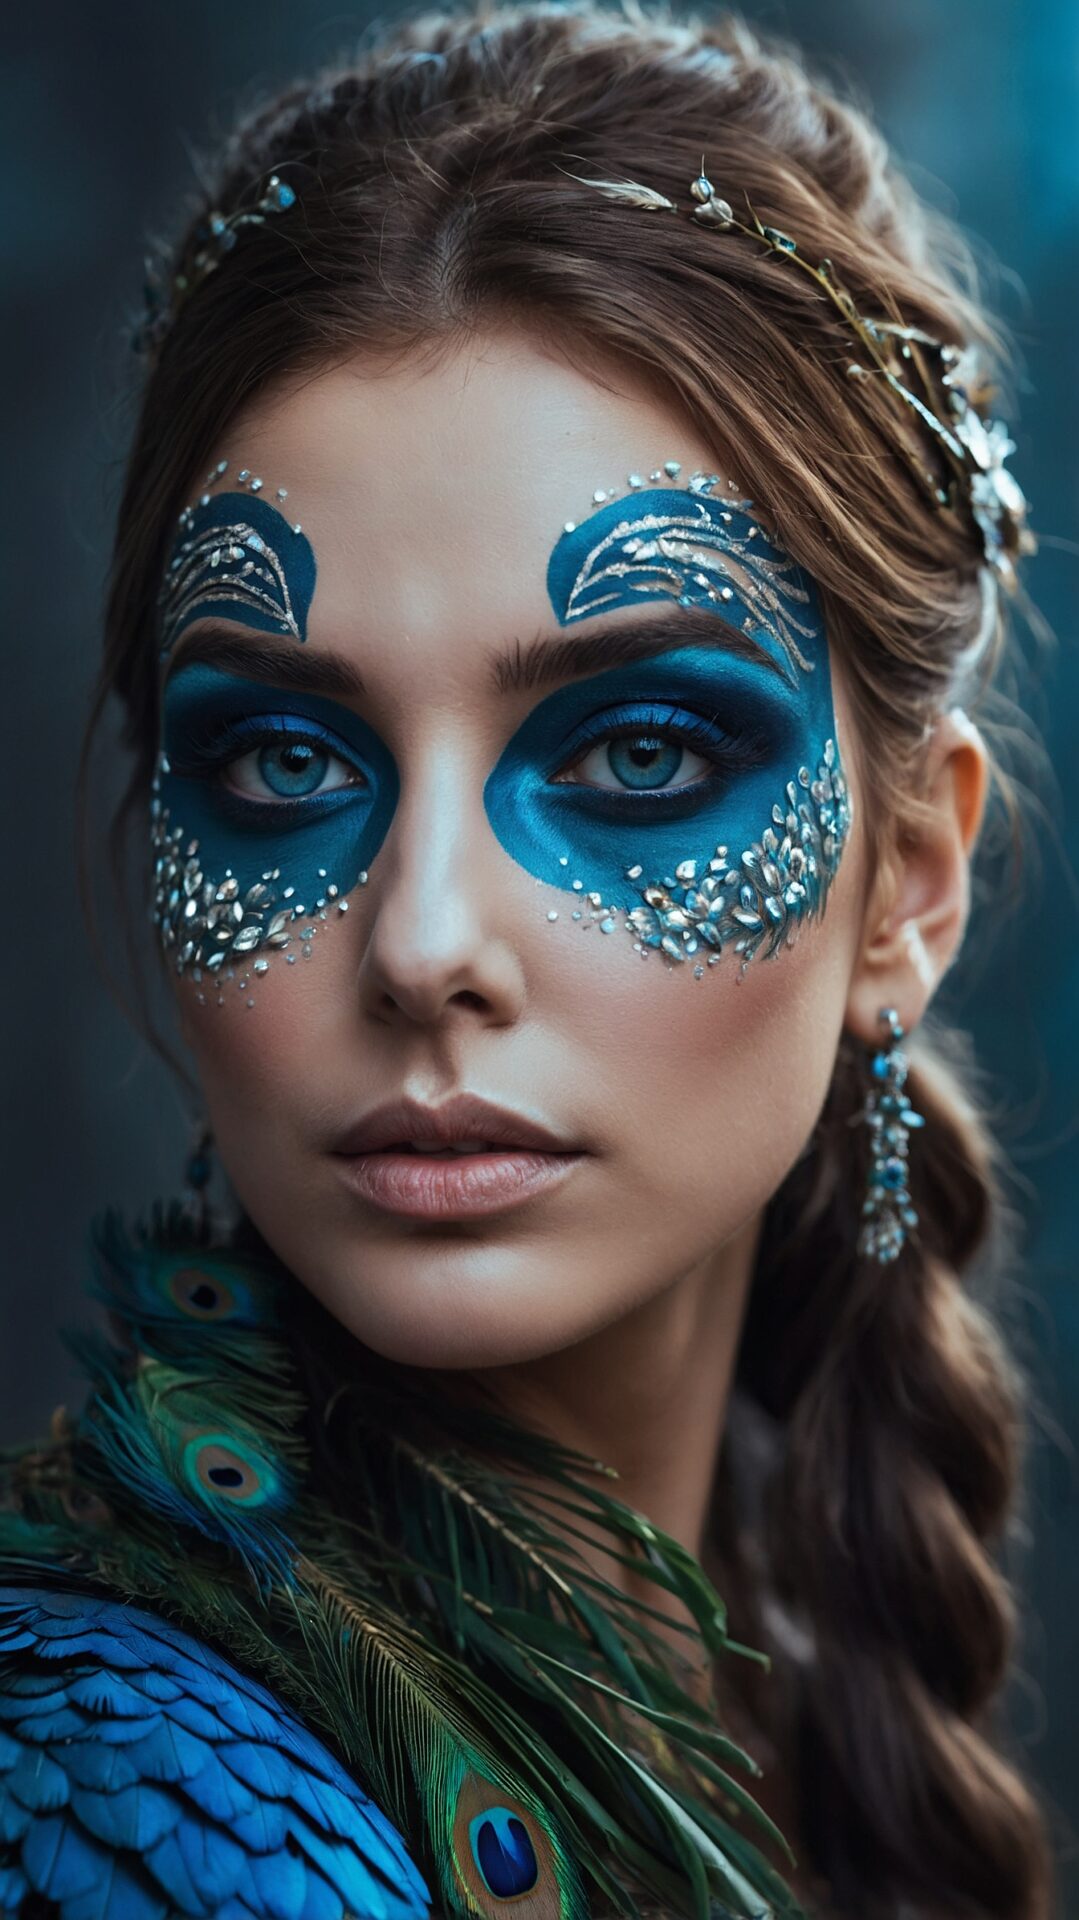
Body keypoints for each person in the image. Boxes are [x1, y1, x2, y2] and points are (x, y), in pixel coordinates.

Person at [0, 3, 1055, 1916]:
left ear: (908, 881)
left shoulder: (792, 1700)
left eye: (635, 754)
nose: (419, 942)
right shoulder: (110, 1786)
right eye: (285, 759)